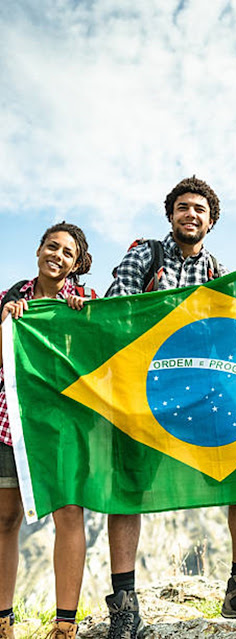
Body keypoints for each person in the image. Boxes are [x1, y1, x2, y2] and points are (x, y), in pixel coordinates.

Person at [105, 175, 236, 637]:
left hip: (200, 392)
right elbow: (118, 305)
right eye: (183, 207)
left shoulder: (218, 272)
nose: (191, 214)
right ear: (171, 215)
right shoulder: (145, 254)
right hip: (145, 388)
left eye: (200, 210)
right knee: (129, 485)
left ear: (211, 222)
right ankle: (124, 602)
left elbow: (233, 331)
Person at [0, 222, 95, 639]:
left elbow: (97, 354)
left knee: (69, 514)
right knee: (4, 520)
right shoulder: (9, 299)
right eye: (51, 246)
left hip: (63, 427)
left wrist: (79, 321)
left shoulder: (84, 302)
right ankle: (3, 620)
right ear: (38, 250)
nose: (57, 255)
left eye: (67, 252)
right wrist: (5, 323)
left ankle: (64, 625)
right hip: (12, 423)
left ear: (76, 263)